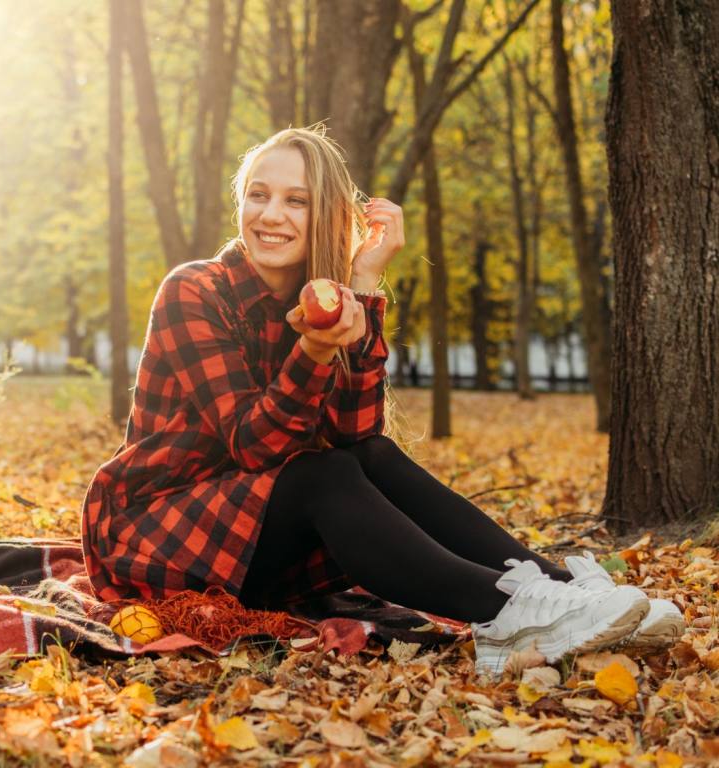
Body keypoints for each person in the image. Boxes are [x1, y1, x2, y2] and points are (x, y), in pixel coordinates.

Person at [80, 125, 683, 675]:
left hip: (257, 539)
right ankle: (506, 610)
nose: (271, 215)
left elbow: (357, 434)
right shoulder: (195, 290)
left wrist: (364, 285)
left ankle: (568, 595)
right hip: (157, 531)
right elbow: (250, 443)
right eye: (258, 195)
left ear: (327, 216)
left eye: (297, 201)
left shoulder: (328, 298)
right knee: (320, 473)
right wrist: (313, 353)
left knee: (367, 456)